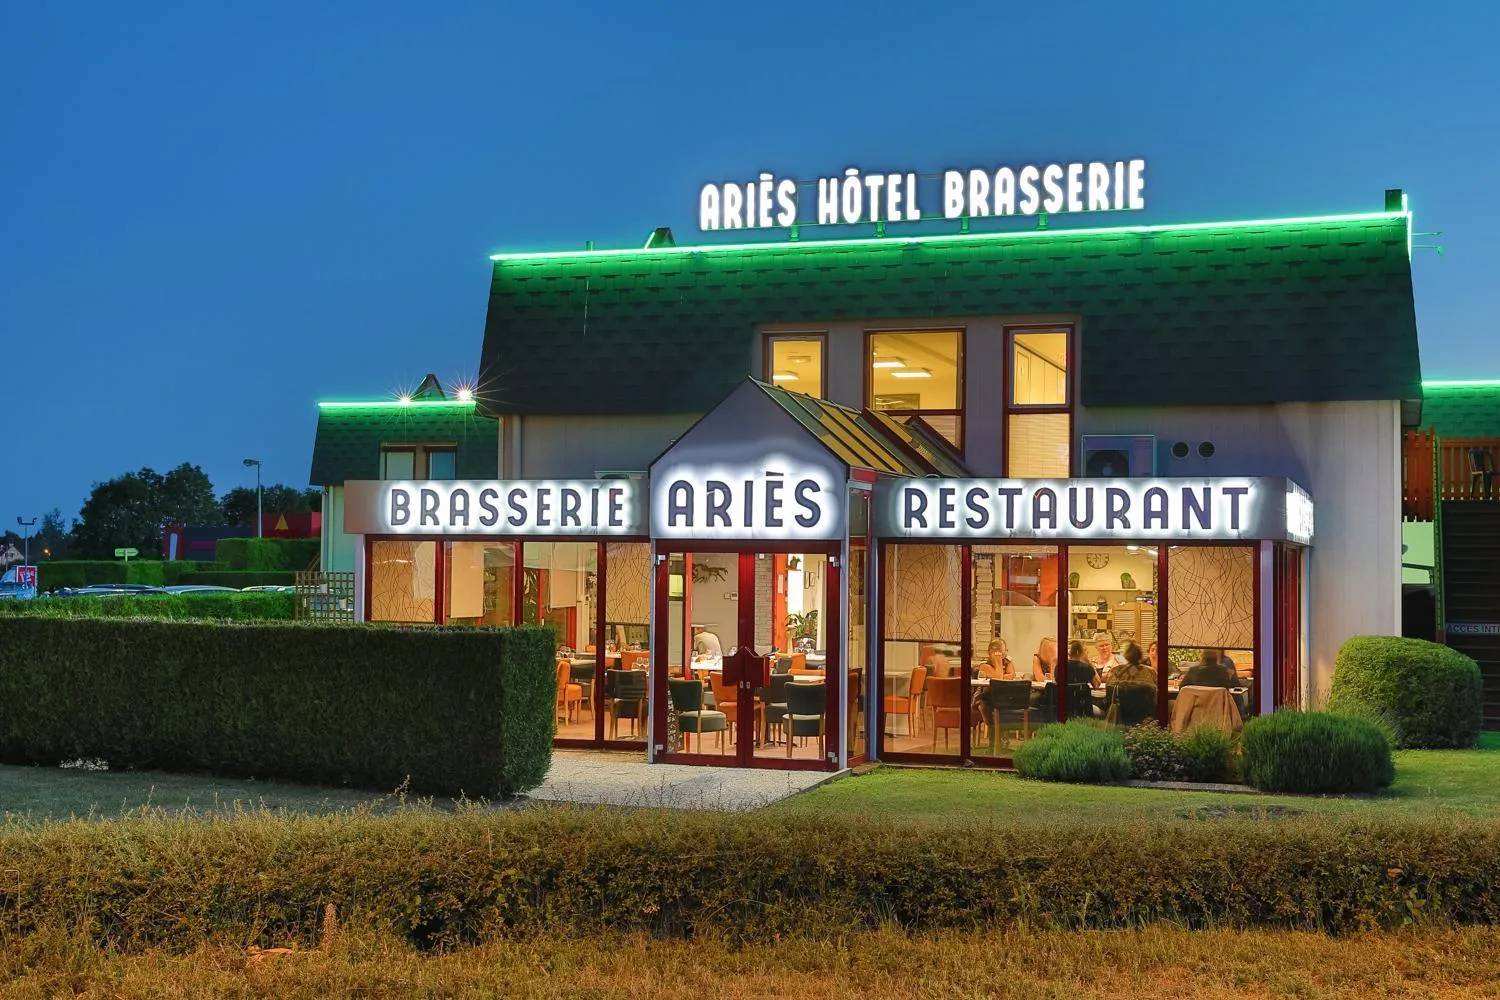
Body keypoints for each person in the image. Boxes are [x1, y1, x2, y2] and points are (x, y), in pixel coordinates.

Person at [1065, 639, 1102, 718]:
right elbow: (1097, 684)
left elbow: (1055, 682)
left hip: (1063, 708)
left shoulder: (1060, 667)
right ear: (1082, 652)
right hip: (1083, 710)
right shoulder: (1086, 668)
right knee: (1101, 713)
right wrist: (1088, 661)